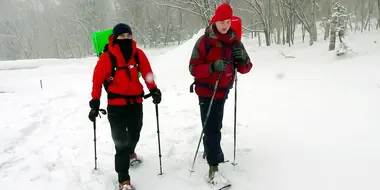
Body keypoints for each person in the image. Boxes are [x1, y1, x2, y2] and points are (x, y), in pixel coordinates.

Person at [88, 23, 162, 190]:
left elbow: (147, 73)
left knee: (135, 134)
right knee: (120, 143)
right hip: (116, 107)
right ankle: (124, 180)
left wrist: (154, 90)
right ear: (115, 38)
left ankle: (131, 152)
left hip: (136, 103)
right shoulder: (107, 57)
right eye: (122, 36)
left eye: (129, 35)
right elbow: (97, 81)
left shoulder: (138, 54)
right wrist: (95, 102)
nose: (126, 38)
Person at [188, 3, 253, 183]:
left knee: (214, 126)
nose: (224, 25)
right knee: (212, 128)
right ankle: (213, 168)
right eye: (221, 21)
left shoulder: (235, 42)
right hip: (206, 91)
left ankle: (210, 150)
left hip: (223, 91)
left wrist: (243, 58)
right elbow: (193, 68)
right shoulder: (204, 41)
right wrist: (211, 67)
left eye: (227, 21)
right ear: (215, 21)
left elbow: (246, 68)